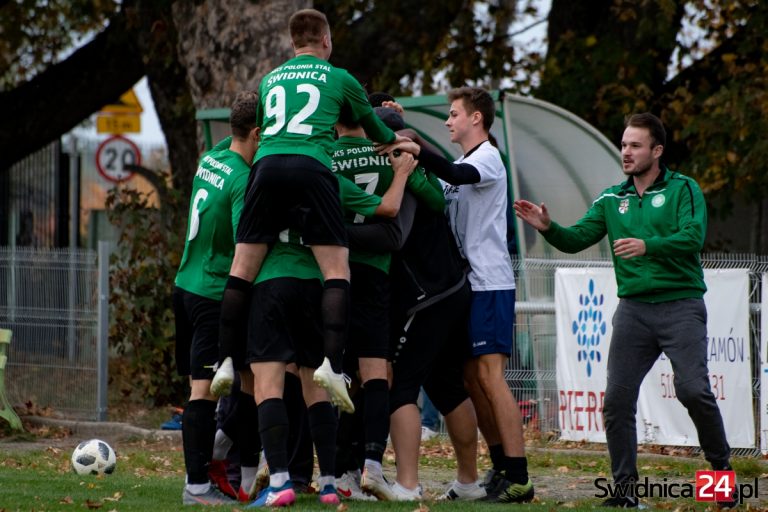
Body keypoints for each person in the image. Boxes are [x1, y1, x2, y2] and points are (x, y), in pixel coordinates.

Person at [513, 112, 736, 508]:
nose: (626, 152)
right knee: (616, 401)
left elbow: (693, 237)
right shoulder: (610, 198)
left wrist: (647, 245)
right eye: (623, 144)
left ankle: (722, 476)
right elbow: (576, 238)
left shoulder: (684, 189)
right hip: (633, 311)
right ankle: (625, 493)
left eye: (635, 145)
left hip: (680, 305)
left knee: (694, 390)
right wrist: (548, 227)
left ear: (657, 150)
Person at [211, 8, 409, 412]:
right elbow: (375, 127)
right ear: (326, 41)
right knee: (337, 270)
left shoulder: (269, 80)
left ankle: (224, 360)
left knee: (242, 266)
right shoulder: (339, 77)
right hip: (313, 167)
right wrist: (396, 142)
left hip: (266, 168)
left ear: (291, 43)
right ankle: (332, 365)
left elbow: (269, 129)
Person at [379, 86, 534, 503]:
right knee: (470, 378)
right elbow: (449, 172)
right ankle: (499, 467)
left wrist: (409, 141)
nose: (448, 121)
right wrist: (399, 127)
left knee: (490, 377)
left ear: (476, 118)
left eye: (453, 114)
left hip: (490, 282)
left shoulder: (487, 158)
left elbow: (454, 175)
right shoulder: (463, 159)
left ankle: (519, 475)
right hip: (468, 283)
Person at [245, 150, 419, 508]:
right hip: (318, 285)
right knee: (319, 384)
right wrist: (402, 170)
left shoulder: (263, 178)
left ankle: (280, 477)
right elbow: (389, 210)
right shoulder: (326, 177)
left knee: (271, 383)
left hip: (273, 280)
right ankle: (328, 483)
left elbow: (246, 237)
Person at [331, 112, 445, 501]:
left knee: (340, 375)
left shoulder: (324, 156)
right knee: (376, 374)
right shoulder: (390, 156)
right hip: (376, 278)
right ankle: (373, 466)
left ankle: (339, 472)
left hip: (333, 276)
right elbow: (436, 199)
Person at [173, 91, 261, 506]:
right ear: (257, 133)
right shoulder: (242, 178)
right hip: (212, 294)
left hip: (185, 284)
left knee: (246, 377)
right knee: (203, 391)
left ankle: (227, 457)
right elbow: (245, 243)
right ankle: (196, 486)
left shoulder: (214, 155)